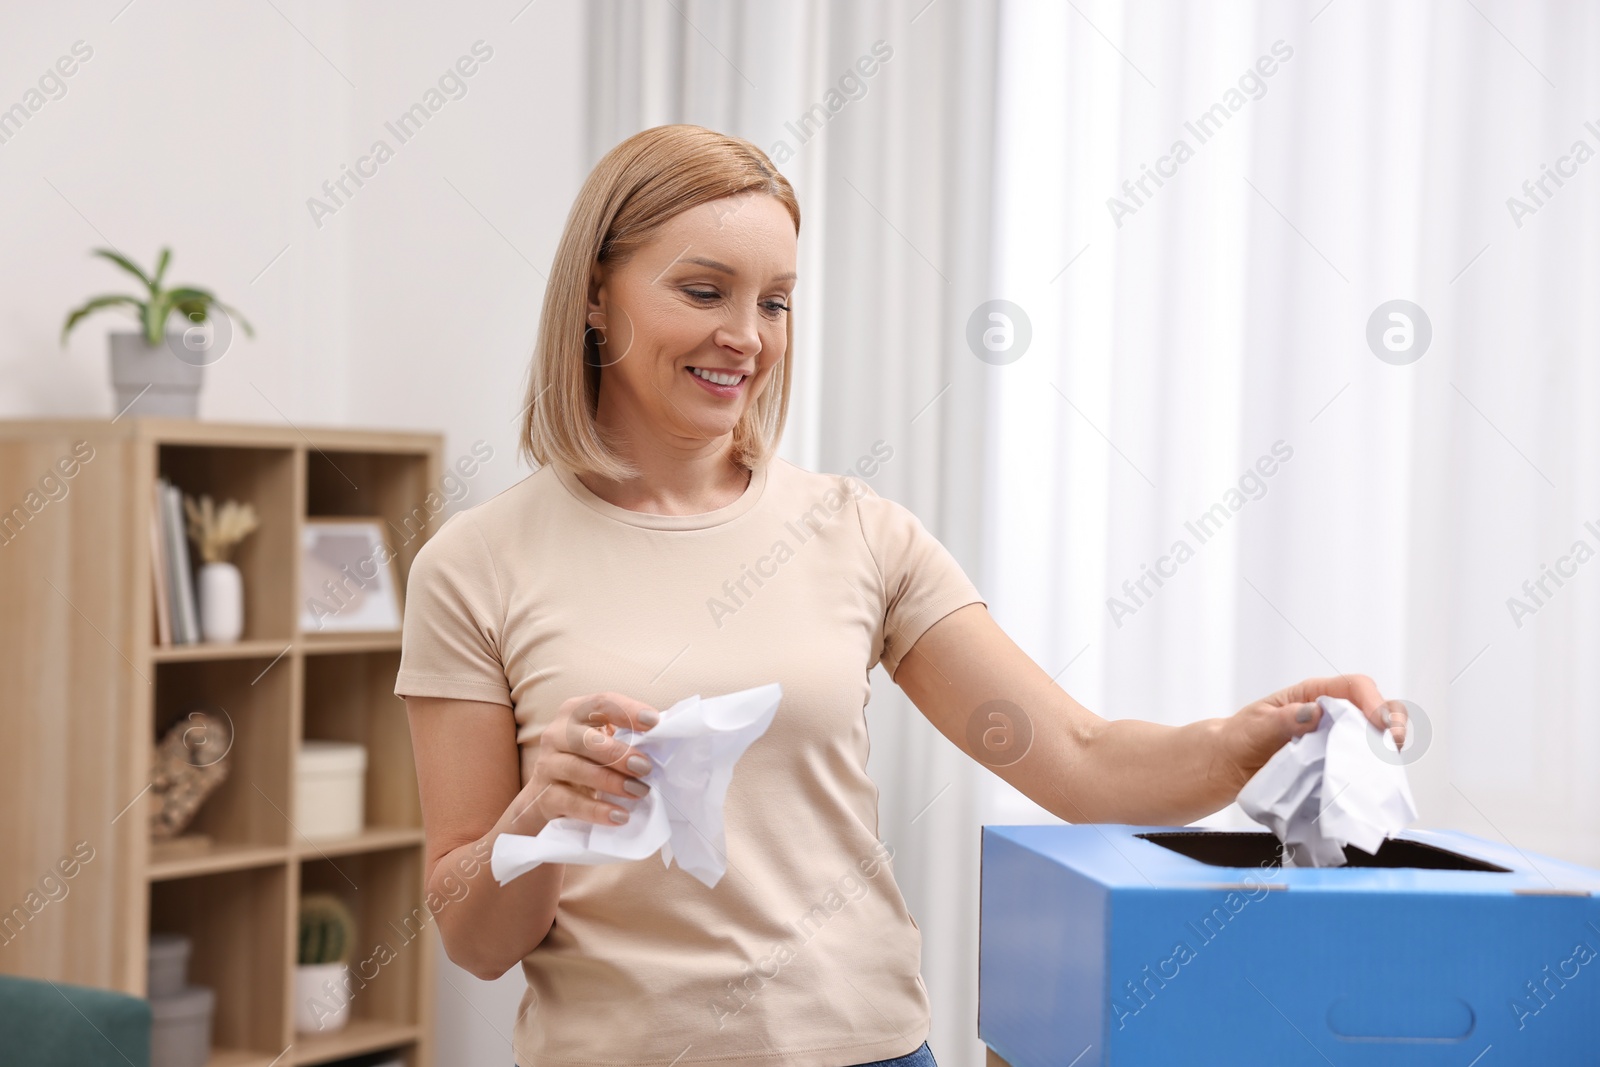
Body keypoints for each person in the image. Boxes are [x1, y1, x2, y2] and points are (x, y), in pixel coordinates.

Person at [395, 124, 1408, 1067]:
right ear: (594, 294)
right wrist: (536, 815)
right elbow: (475, 938)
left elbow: (1081, 761)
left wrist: (1249, 737)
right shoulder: (473, 565)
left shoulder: (858, 531)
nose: (746, 335)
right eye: (703, 291)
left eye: (775, 300)